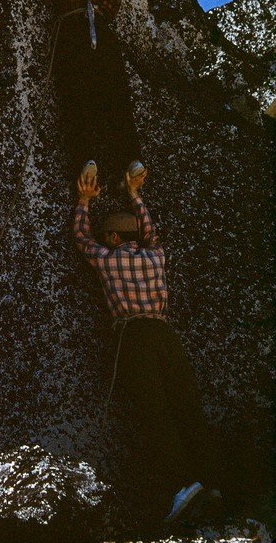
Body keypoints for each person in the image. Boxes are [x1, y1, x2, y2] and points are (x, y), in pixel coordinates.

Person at [73, 163, 221, 526]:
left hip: (133, 337)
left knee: (156, 413)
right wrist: (135, 196)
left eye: (109, 234)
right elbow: (152, 232)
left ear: (114, 238)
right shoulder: (157, 257)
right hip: (165, 336)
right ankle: (214, 482)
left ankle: (184, 485)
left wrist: (84, 201)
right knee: (187, 406)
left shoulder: (108, 261)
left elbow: (80, 237)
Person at [21, 0, 142, 188]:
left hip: (74, 32)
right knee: (116, 97)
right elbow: (114, 6)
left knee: (77, 96)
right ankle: (132, 160)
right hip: (105, 37)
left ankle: (86, 159)